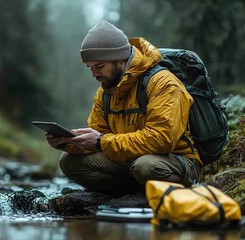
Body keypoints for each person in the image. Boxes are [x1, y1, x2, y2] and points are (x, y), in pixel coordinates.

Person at [46, 20, 202, 196]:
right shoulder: (105, 92)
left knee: (145, 166)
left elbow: (161, 140)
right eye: (90, 68)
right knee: (69, 162)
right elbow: (99, 136)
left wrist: (100, 141)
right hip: (132, 160)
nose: (95, 74)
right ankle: (133, 193)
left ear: (120, 58)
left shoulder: (163, 83)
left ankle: (160, 192)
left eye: (99, 66)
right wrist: (69, 142)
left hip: (176, 162)